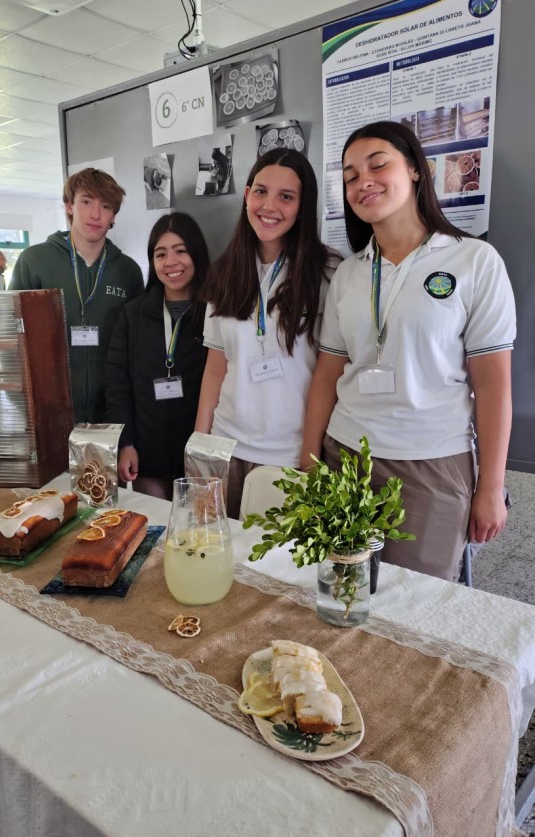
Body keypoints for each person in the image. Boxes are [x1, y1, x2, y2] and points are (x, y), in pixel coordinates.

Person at [301, 120, 516, 581]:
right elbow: (327, 375)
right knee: (343, 593)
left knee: (416, 605)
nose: (363, 182)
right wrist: (310, 460)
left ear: (417, 170)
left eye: (378, 165)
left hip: (431, 464)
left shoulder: (473, 260)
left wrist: (492, 487)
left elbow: (494, 384)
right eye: (351, 176)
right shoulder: (350, 273)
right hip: (345, 458)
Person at [195, 148, 340, 518]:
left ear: (302, 206)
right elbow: (216, 368)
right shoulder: (224, 272)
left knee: (278, 574)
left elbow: (331, 372)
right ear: (246, 196)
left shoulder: (327, 273)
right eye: (260, 191)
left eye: (286, 196)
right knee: (221, 563)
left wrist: (310, 463)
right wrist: (201, 449)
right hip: (226, 448)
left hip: (290, 455)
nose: (269, 205)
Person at [9, 168, 144, 423]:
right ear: (69, 206)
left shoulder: (128, 271)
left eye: (105, 206)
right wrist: (23, 405)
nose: (95, 214)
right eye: (86, 202)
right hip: (49, 412)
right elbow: (11, 338)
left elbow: (137, 347)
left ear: (113, 215)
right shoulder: (35, 261)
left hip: (110, 413)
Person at [105, 213, 209, 500]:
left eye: (180, 251)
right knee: (154, 533)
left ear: (196, 254)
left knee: (197, 536)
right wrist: (125, 443)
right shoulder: (133, 314)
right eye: (160, 254)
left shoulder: (215, 312)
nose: (170, 263)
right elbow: (117, 385)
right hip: (146, 454)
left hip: (199, 453)